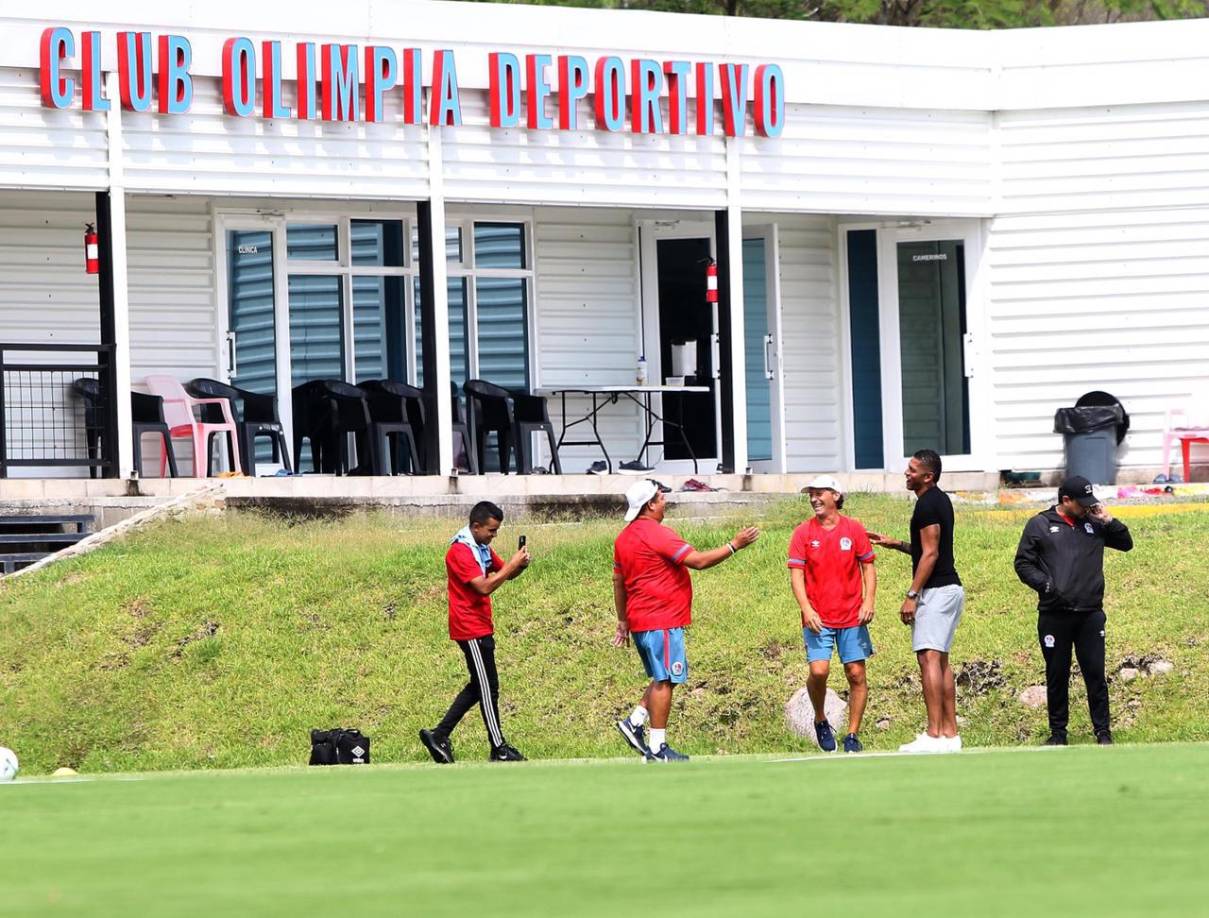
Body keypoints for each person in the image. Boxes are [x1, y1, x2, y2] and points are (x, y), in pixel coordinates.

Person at [612, 479, 759, 762]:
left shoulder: (624, 537)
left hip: (643, 620)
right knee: (665, 680)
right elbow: (698, 561)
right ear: (650, 504)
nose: (664, 498)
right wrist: (734, 545)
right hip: (661, 619)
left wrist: (623, 621)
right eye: (660, 496)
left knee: (664, 676)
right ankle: (657, 748)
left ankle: (636, 721)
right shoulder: (657, 533)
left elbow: (618, 582)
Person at [1013, 475, 1133, 746]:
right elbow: (1023, 563)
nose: (1087, 507)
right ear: (1066, 500)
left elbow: (1126, 543)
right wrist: (1045, 585)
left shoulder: (1093, 523)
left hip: (1090, 613)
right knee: (1057, 674)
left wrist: (1109, 520)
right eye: (1082, 503)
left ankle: (1103, 733)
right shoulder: (1040, 524)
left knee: (1095, 673)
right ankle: (1058, 734)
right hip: (1055, 614)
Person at [869, 449, 964, 754]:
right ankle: (951, 734)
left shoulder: (926, 504)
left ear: (928, 476)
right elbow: (928, 549)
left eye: (912, 470)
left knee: (928, 659)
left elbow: (933, 554)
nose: (906, 474)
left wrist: (912, 595)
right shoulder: (939, 500)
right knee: (941, 661)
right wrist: (896, 544)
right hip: (949, 589)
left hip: (937, 591)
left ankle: (934, 735)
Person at [420, 501, 530, 764]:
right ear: (476, 526)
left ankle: (439, 734)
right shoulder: (460, 551)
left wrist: (520, 565)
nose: (494, 535)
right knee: (488, 688)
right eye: (491, 530)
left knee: (478, 686)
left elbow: (505, 575)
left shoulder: (481, 548)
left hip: (481, 625)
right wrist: (510, 566)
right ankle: (498, 747)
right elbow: (483, 587)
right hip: (469, 627)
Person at [788, 475, 877, 754]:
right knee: (819, 671)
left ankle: (852, 734)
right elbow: (796, 575)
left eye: (819, 493)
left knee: (856, 673)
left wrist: (869, 601)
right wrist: (806, 608)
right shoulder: (803, 532)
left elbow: (868, 567)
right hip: (818, 617)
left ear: (836, 496)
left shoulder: (854, 529)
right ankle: (820, 718)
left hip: (852, 615)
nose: (814, 499)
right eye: (810, 494)